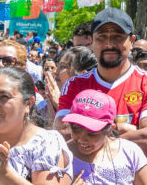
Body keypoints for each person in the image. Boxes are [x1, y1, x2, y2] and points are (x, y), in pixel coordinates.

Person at [56, 8, 147, 148]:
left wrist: (90, 135)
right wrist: (122, 128)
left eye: (118, 37)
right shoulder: (75, 84)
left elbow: (145, 138)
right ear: (92, 41)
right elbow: (63, 134)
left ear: (132, 40)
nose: (109, 44)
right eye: (102, 37)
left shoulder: (144, 82)